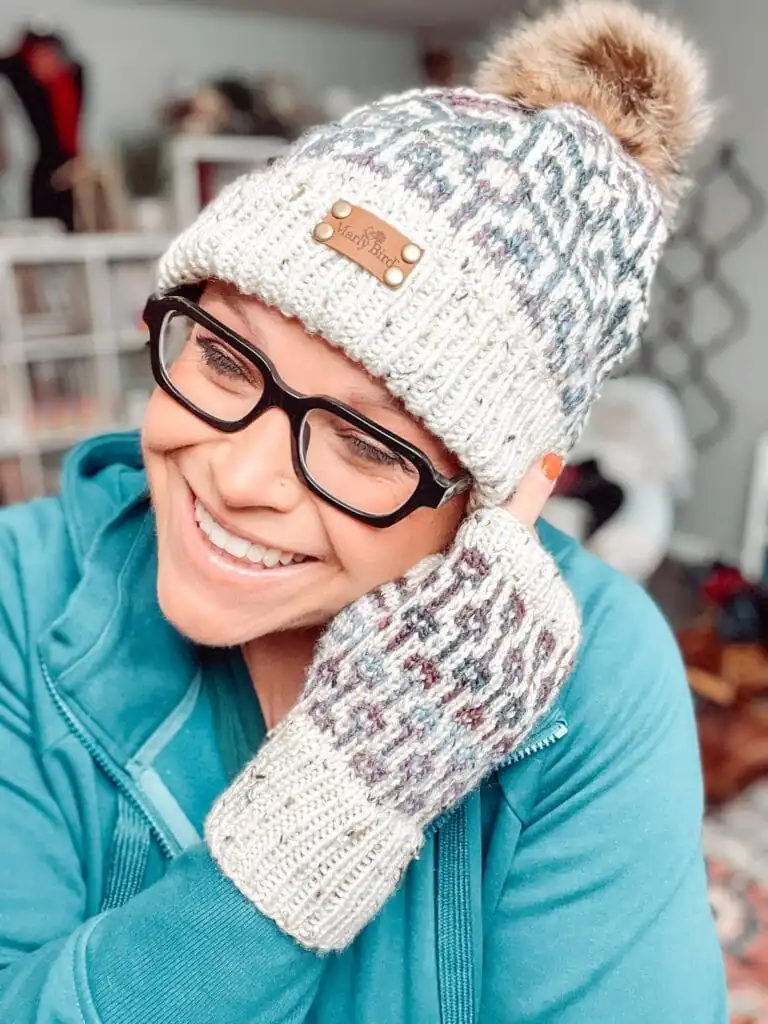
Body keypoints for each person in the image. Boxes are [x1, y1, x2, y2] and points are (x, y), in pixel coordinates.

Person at [0, 1, 727, 1021]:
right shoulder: (19, 591)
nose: (242, 474)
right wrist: (321, 824)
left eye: (365, 440)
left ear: (511, 499)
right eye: (221, 354)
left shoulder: (597, 677)